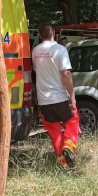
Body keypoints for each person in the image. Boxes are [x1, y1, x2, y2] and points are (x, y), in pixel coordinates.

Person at [32, 22, 80, 169]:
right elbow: (65, 73)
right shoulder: (60, 49)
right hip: (60, 97)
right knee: (72, 121)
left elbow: (36, 71)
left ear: (40, 36)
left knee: (54, 131)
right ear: (54, 33)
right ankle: (69, 147)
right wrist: (72, 95)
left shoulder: (35, 51)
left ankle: (63, 163)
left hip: (44, 100)